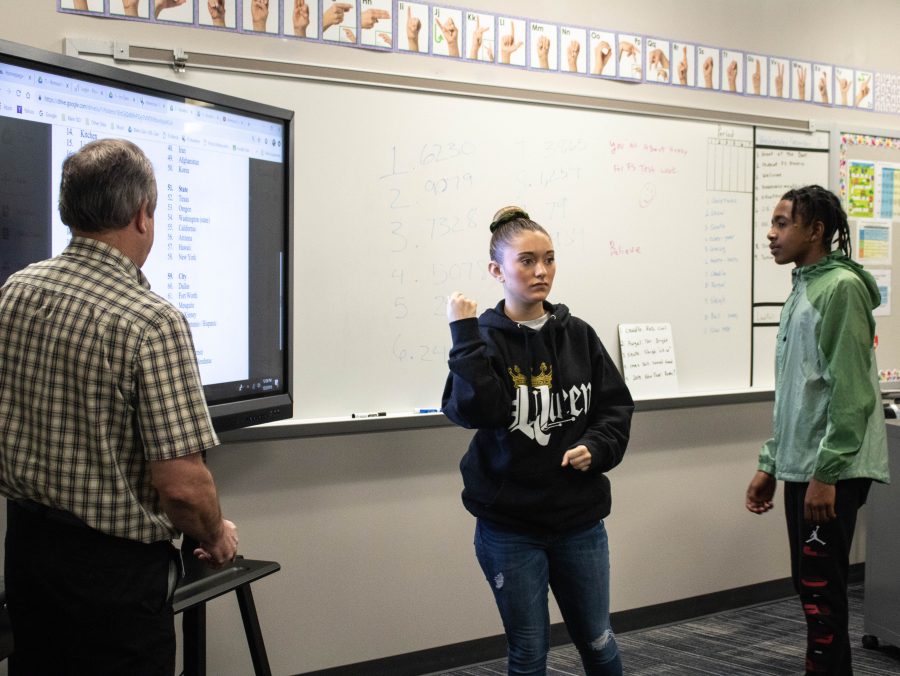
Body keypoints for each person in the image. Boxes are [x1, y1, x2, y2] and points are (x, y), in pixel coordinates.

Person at [0, 139, 238, 676]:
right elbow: (181, 486)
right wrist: (216, 534)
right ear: (142, 215)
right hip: (112, 579)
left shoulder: (15, 290)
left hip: (27, 554)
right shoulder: (150, 321)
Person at [442, 206, 633, 675]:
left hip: (579, 521)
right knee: (528, 652)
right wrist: (464, 336)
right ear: (497, 270)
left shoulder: (579, 335)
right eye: (526, 260)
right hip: (510, 526)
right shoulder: (483, 338)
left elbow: (614, 407)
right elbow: (475, 412)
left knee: (598, 640)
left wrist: (600, 446)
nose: (541, 271)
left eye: (548, 259)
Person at [746, 185, 889, 676]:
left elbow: (851, 392)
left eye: (784, 222)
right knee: (811, 586)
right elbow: (796, 393)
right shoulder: (803, 287)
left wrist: (826, 474)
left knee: (822, 592)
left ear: (816, 230)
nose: (772, 232)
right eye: (773, 221)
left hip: (832, 468)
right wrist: (771, 463)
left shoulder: (840, 289)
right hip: (804, 464)